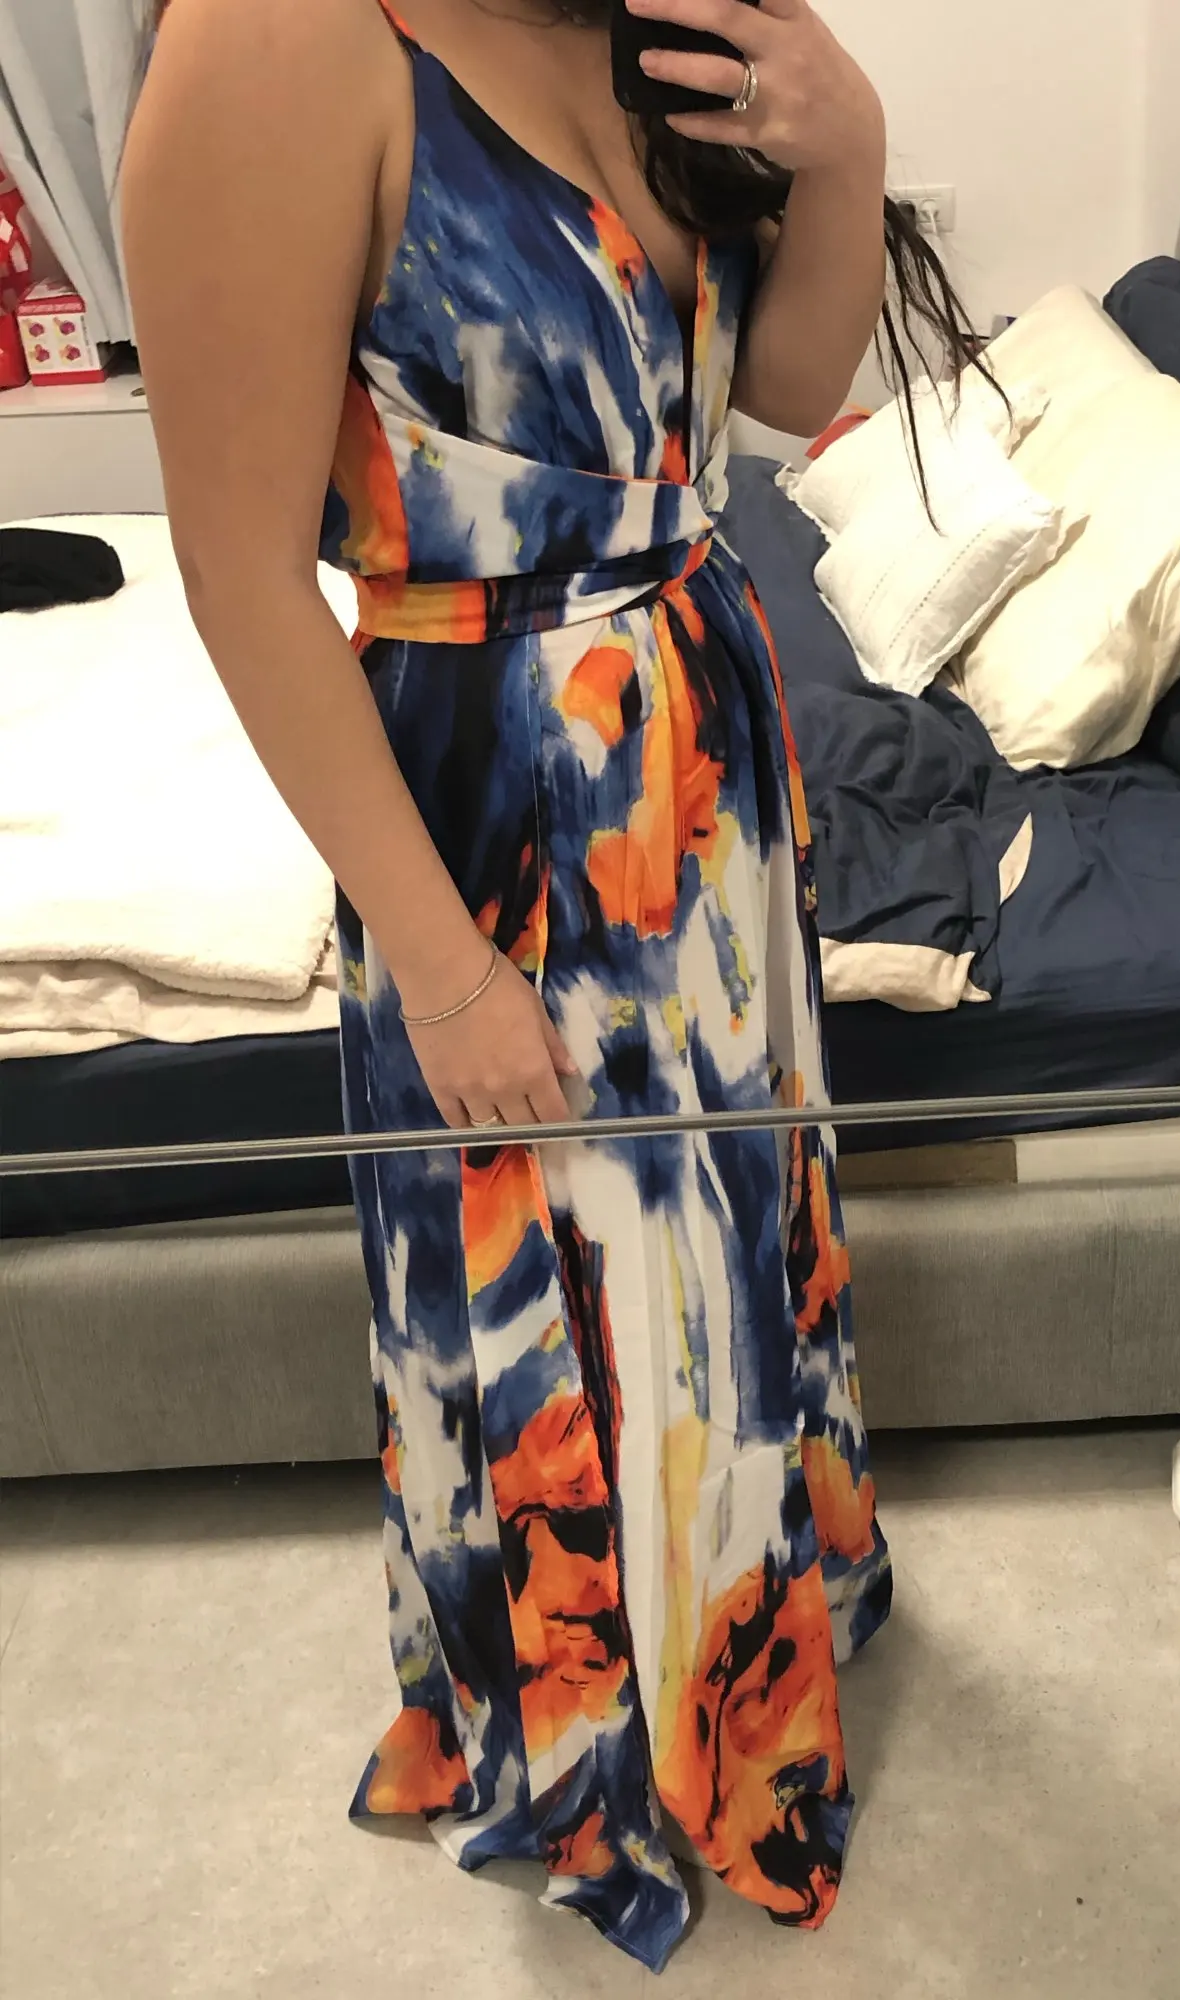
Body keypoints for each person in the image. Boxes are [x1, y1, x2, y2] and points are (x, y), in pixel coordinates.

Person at [122, 0, 982, 1969]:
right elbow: (240, 571)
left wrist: (847, 141)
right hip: (499, 816)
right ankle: (604, 1743)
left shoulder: (643, 15)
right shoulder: (279, 40)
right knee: (565, 1300)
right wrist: (441, 972)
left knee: (726, 1254)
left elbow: (782, 385)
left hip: (705, 765)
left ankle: (743, 1650)